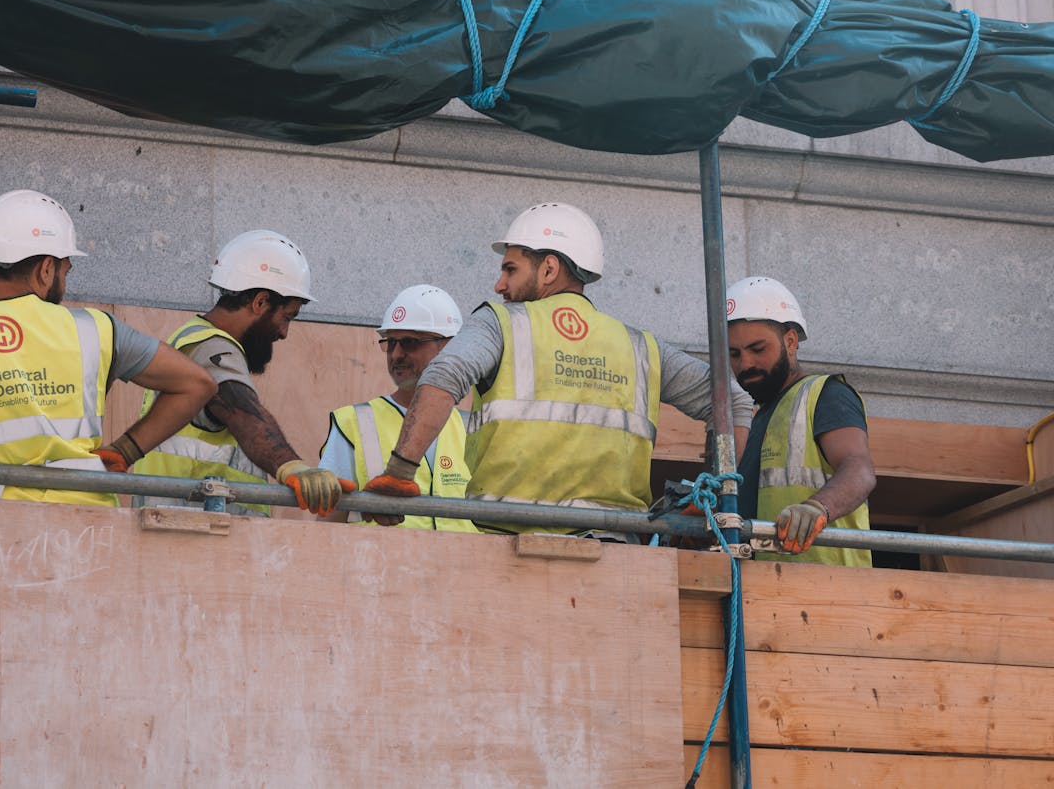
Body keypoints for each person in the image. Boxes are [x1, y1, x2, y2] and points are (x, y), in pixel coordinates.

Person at [362, 202, 753, 538]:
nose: (499, 284)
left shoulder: (501, 323)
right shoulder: (641, 347)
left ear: (548, 269)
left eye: (510, 269)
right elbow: (733, 402)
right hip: (617, 554)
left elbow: (443, 377)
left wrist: (400, 471)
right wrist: (717, 494)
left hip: (507, 543)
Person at [0, 189, 216, 506]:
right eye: (65, 269)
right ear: (46, 268)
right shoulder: (96, 329)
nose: (64, 280)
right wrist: (126, 450)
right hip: (86, 526)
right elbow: (197, 384)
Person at [134, 230, 353, 516]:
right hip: (190, 535)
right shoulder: (208, 347)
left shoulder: (193, 340)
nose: (284, 333)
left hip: (193, 533)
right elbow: (240, 409)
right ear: (260, 302)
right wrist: (292, 466)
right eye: (286, 317)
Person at [726, 276, 875, 566]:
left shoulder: (826, 394)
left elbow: (860, 470)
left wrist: (817, 508)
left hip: (828, 589)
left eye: (758, 349)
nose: (745, 364)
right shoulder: (761, 418)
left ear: (790, 341)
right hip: (771, 587)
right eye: (734, 353)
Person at [318, 285, 478, 532]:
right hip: (382, 568)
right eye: (391, 343)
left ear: (448, 347)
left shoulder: (470, 428)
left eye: (410, 342)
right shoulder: (353, 423)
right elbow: (327, 526)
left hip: (467, 569)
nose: (396, 354)